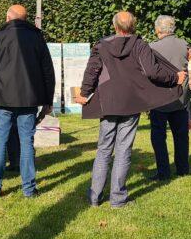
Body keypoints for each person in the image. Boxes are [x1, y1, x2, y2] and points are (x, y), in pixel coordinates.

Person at [77, 11, 184, 207]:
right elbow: (153, 72)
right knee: (123, 149)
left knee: (104, 149)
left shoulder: (102, 45)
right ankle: (118, 199)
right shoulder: (140, 45)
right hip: (131, 102)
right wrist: (175, 78)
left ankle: (95, 196)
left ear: (115, 26)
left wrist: (84, 93)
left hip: (108, 102)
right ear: (133, 26)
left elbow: (92, 71)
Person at [0, 5, 55, 198]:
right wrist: (48, 100)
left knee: (0, 141)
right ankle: (28, 189)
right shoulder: (36, 37)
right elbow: (47, 71)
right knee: (26, 142)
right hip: (28, 99)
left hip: (3, 99)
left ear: (8, 17)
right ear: (25, 18)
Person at [149, 15, 191, 180]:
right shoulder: (184, 44)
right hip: (180, 96)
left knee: (158, 135)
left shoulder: (152, 47)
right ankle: (183, 168)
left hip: (160, 96)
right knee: (181, 135)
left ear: (158, 29)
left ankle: (163, 171)